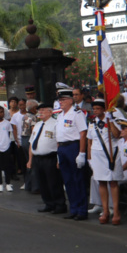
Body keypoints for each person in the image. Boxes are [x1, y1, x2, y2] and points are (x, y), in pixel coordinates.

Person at [55, 88, 89, 220]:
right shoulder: (60, 115)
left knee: (77, 179)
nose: (60, 102)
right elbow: (59, 136)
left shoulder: (77, 113)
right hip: (62, 148)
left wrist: (81, 153)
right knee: (68, 180)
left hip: (73, 147)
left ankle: (82, 210)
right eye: (60, 100)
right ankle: (73, 208)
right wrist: (58, 154)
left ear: (70, 100)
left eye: (63, 100)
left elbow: (83, 133)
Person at [86, 99, 121, 224]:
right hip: (97, 155)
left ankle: (116, 211)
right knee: (101, 182)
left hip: (111, 155)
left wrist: (110, 120)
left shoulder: (112, 121)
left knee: (113, 182)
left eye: (98, 108)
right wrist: (89, 158)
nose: (95, 111)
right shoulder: (92, 123)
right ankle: (105, 210)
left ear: (104, 109)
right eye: (94, 108)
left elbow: (117, 135)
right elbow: (89, 141)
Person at [30, 103, 67, 214]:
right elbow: (31, 142)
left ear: (50, 112)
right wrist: (30, 160)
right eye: (39, 110)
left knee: (54, 182)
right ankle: (49, 204)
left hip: (50, 157)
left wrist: (58, 159)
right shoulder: (37, 125)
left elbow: (59, 143)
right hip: (38, 158)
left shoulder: (55, 124)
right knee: (42, 183)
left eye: (42, 110)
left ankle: (60, 205)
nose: (40, 112)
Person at [21, 100, 39, 192]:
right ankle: (35, 187)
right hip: (29, 140)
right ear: (33, 108)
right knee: (33, 163)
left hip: (23, 139)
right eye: (36, 107)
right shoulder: (33, 117)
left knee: (28, 162)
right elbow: (33, 130)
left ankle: (28, 185)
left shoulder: (24, 116)